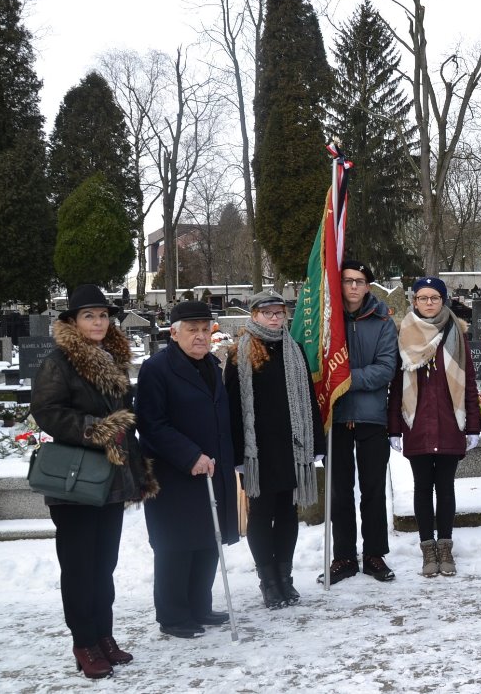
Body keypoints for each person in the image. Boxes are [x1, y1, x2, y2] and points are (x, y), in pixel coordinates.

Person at [31, 285, 158, 679]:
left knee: (104, 564)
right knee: (80, 566)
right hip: (76, 482)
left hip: (110, 478)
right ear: (72, 322)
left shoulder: (112, 358)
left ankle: (104, 635)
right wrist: (97, 429)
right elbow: (47, 411)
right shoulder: (59, 362)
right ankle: (83, 641)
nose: (99, 322)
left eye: (103, 315)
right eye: (89, 316)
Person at [136, 300, 239, 639]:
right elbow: (152, 424)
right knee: (176, 545)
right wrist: (190, 455)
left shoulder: (211, 363)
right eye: (191, 330)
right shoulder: (157, 368)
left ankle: (199, 605)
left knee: (208, 539)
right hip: (173, 473)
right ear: (174, 332)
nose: (199, 336)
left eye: (204, 330)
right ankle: (174, 615)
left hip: (213, 469)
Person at [225, 290, 324, 609]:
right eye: (267, 313)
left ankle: (285, 578)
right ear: (254, 316)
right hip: (258, 452)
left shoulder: (293, 348)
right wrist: (239, 453)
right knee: (261, 513)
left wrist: (316, 445)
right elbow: (233, 407)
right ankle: (268, 581)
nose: (274, 318)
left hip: (291, 447)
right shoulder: (240, 352)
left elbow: (308, 398)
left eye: (279, 312)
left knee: (287, 513)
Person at [388, 276, 481, 578]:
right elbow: (394, 385)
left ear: (443, 301)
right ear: (414, 301)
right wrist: (393, 428)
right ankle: (427, 548)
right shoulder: (402, 334)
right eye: (423, 298)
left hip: (450, 424)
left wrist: (473, 426)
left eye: (434, 298)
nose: (429, 303)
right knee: (422, 488)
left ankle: (445, 546)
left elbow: (468, 384)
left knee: (446, 488)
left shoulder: (457, 334)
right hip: (416, 424)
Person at [325, 261, 398, 584]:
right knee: (340, 492)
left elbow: (385, 368)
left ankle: (374, 555)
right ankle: (343, 557)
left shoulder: (382, 320)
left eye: (360, 281)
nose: (353, 287)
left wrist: (344, 379)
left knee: (373, 490)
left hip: (371, 417)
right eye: (348, 281)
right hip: (337, 418)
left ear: (368, 286)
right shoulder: (328, 321)